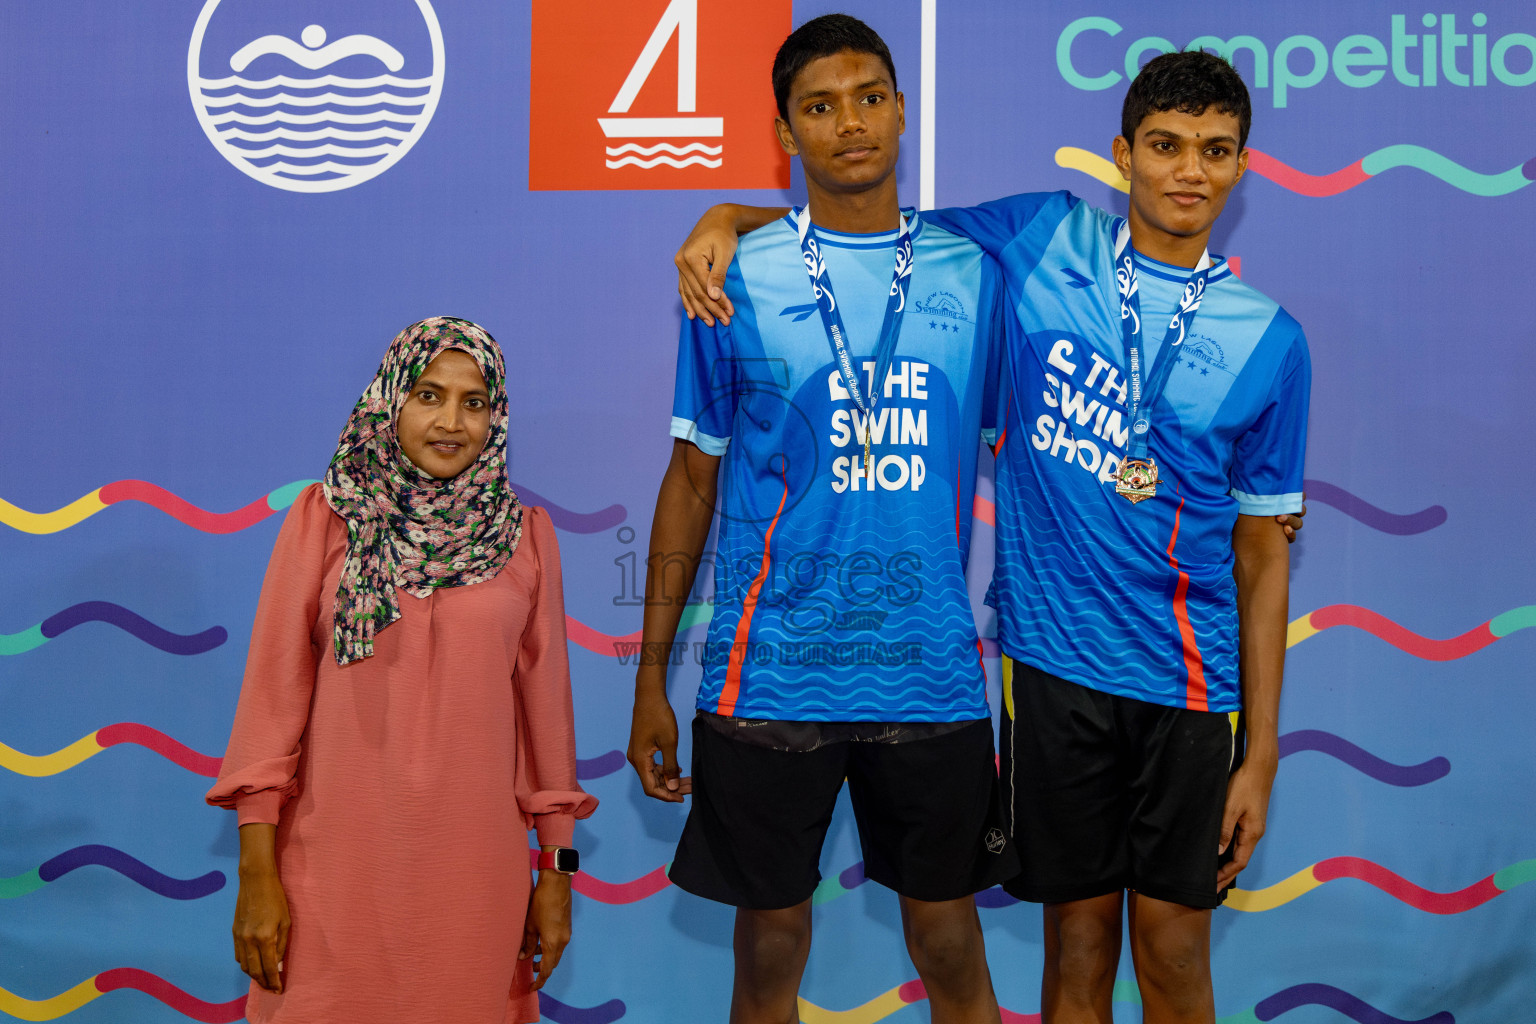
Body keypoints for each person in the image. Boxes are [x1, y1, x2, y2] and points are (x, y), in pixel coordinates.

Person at [674, 49, 1307, 1024]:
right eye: (1167, 146)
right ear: (1121, 155)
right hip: (1052, 677)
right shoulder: (1041, 237)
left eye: (1216, 151)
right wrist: (728, 220)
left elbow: (1266, 554)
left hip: (1190, 685)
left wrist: (1259, 751)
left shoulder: (1272, 338)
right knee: (1079, 949)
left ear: (1242, 166)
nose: (1190, 171)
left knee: (1178, 961)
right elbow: (866, 224)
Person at [627, 15, 1015, 1024]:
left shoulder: (978, 273)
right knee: (769, 951)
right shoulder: (731, 282)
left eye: (870, 97)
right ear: (786, 133)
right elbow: (690, 479)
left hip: (928, 671)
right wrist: (650, 679)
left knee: (949, 943)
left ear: (900, 111)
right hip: (769, 674)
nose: (851, 122)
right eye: (820, 106)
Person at [207, 316, 597, 1024]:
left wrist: (557, 874)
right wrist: (257, 874)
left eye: (474, 402)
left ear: (496, 415)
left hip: (476, 881)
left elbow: (549, 731)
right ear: (390, 401)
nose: (451, 421)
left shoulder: (527, 539)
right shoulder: (326, 520)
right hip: (328, 877)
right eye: (428, 395)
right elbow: (270, 708)